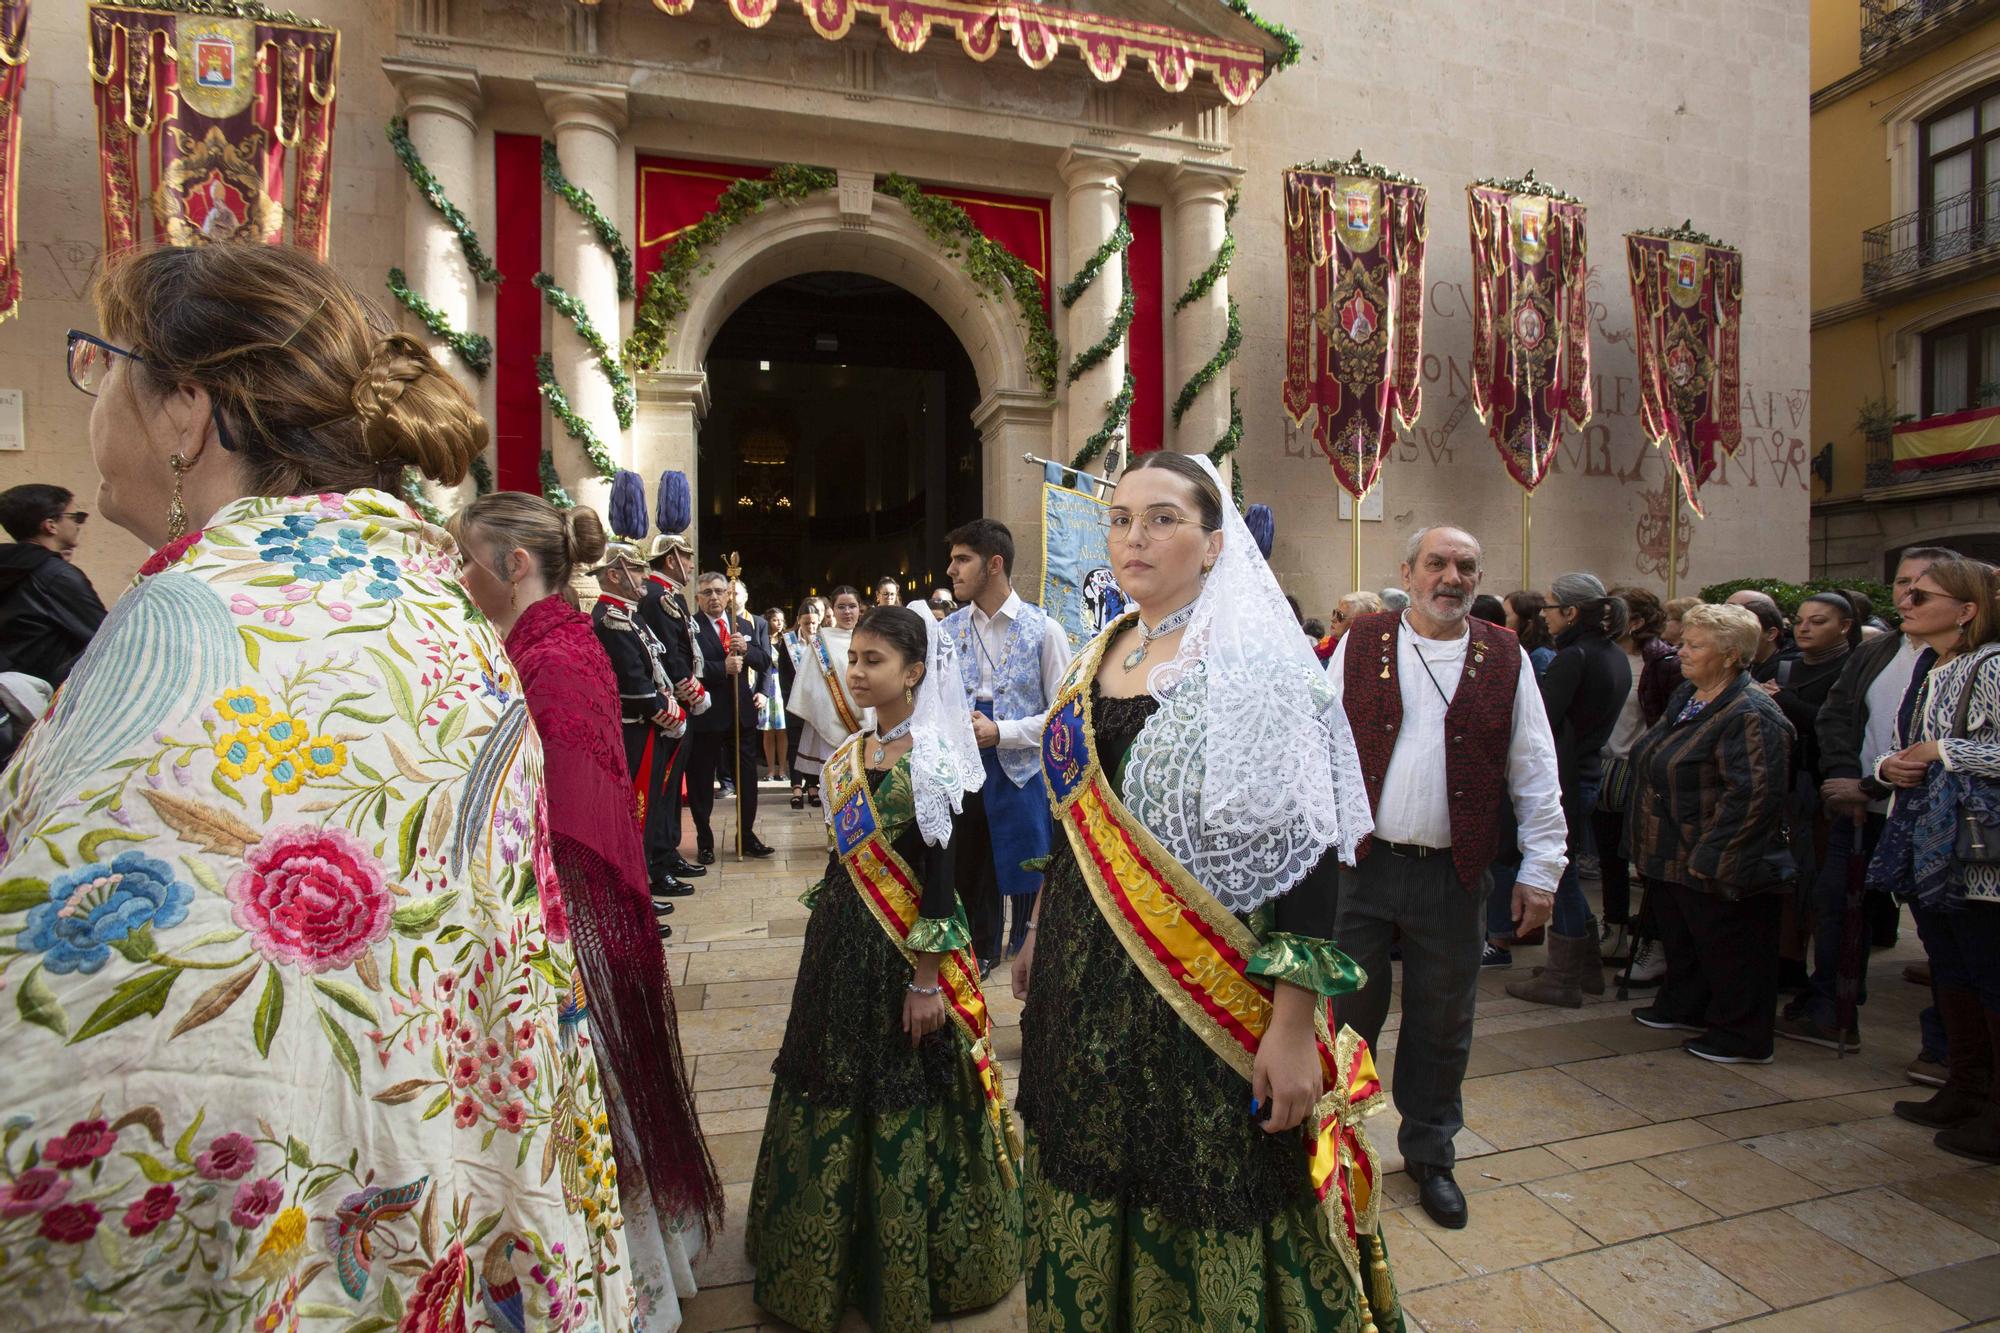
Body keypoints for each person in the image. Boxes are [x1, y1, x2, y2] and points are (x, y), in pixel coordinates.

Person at [0, 243, 631, 1324]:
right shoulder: (435, 608)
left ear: (185, 409)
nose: (93, 393)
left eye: (99, 362)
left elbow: (68, 1032)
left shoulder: (193, 623)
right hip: (434, 1209)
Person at [1017, 453, 1397, 1328]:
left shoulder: (1257, 664)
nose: (1133, 537)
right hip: (1085, 976)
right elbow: (1073, 823)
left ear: (1216, 543)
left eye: (1161, 518)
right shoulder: (1096, 652)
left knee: (1202, 1176)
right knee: (1088, 1156)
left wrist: (1295, 1028)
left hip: (1206, 992)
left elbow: (1306, 865)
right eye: (1119, 519)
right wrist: (1039, 926)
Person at [451, 491, 723, 1325]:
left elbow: (565, 808)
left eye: (469, 558)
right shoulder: (550, 638)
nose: (459, 576)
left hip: (566, 908)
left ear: (514, 564)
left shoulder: (557, 654)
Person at [746, 605, 1022, 1331]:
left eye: (874, 660)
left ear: (916, 670)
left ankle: (911, 1263)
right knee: (828, 1073)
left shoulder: (934, 757)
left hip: (903, 956)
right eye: (854, 658)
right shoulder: (851, 754)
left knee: (905, 1085)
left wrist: (927, 980)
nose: (858, 671)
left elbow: (943, 879)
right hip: (839, 950)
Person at [1329, 527, 1566, 1228]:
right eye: (1437, 562)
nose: (1451, 576)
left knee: (1442, 1022)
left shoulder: (1505, 653)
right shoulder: (1362, 638)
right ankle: (1332, 1143)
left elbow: (1535, 764)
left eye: (1466, 564)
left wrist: (1543, 868)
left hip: (1455, 874)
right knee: (1344, 1014)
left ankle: (1430, 1152)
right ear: (1408, 570)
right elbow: (1317, 733)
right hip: (1362, 867)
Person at [1798, 547, 1961, 1064]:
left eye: (1921, 587)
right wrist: (1847, 776)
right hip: (1861, 811)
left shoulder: (1971, 659)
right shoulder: (1877, 651)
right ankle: (1833, 1008)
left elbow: (1938, 746)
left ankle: (1947, 1045)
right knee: (1837, 910)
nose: (1905, 595)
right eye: (1900, 583)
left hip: (1934, 815)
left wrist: (1875, 785)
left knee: (1943, 929)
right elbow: (1838, 715)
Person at [1868, 557, 2000, 1163]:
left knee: (1988, 972)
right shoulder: (1930, 663)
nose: (1908, 601)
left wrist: (1940, 749)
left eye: (1922, 594)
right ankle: (1966, 1087)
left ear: (1967, 609)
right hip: (1929, 840)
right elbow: (1904, 744)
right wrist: (1886, 767)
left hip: (1979, 853)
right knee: (1951, 968)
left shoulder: (1992, 665)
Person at [1626, 603, 1796, 1065]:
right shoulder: (1689, 694)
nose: (1681, 651)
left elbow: (1753, 795)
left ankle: (1741, 1034)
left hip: (1714, 855)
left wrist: (1714, 856)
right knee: (1689, 941)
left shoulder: (1750, 712)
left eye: (1695, 645)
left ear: (1730, 655)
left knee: (1732, 951)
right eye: (1685, 642)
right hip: (1673, 849)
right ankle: (1687, 1006)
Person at [942, 518, 1071, 972]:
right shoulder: (949, 630)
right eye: (953, 559)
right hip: (962, 768)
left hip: (1022, 773)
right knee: (969, 871)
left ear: (994, 564)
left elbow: (1063, 716)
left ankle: (1030, 961)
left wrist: (1004, 732)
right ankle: (974, 960)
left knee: (1026, 873)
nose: (951, 570)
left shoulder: (1044, 629)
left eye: (963, 560)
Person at [1508, 573, 1630, 1008]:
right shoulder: (1612, 654)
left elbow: (1539, 722)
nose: (1546, 617)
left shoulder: (1575, 656)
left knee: (1563, 873)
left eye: (1550, 608)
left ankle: (1565, 976)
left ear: (1573, 612)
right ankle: (1584, 966)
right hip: (1586, 770)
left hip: (1567, 775)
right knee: (1570, 868)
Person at [590, 542, 695, 915]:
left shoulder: (628, 613)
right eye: (635, 571)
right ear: (615, 575)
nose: (642, 578)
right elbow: (635, 688)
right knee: (638, 812)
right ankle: (636, 894)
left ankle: (643, 885)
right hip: (635, 728)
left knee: (647, 810)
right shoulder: (611, 618)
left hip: (645, 728)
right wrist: (673, 715)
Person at [1766, 592, 1860, 1001]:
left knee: (1823, 886)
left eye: (1817, 621)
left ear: (1844, 626)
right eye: (1800, 620)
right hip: (1784, 783)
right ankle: (1786, 960)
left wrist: (1785, 702)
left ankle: (1827, 987)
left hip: (1824, 785)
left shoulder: (1851, 667)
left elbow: (1834, 723)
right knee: (1785, 876)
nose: (1804, 628)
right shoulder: (1784, 664)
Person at [1594, 586, 1683, 968]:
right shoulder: (1602, 656)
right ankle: (1614, 930)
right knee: (1609, 857)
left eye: (1612, 612)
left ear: (1636, 620)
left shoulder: (1662, 663)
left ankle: (1652, 941)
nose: (1603, 619)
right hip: (1604, 768)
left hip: (1643, 771)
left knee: (1646, 862)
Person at [637, 532, 711, 886]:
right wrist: (692, 693)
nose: (692, 565)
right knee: (663, 788)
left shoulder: (666, 595)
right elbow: (669, 654)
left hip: (677, 704)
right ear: (671, 559)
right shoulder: (657, 597)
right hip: (669, 704)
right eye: (688, 557)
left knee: (668, 788)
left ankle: (668, 852)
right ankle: (659, 859)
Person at [688, 571, 774, 862]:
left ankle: (747, 835)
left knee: (747, 780)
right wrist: (720, 668)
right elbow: (685, 667)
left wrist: (746, 649)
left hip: (741, 716)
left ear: (728, 595)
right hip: (707, 717)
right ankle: (705, 840)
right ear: (698, 598)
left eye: (719, 591)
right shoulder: (690, 627)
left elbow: (764, 661)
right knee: (702, 781)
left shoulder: (743, 625)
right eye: (707, 592)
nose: (714, 597)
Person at [0, 483, 107, 687]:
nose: (78, 525)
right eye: (75, 517)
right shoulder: (56, 575)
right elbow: (106, 636)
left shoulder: (10, 566)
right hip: (46, 696)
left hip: (14, 695)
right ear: (50, 525)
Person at [788, 584, 871, 803]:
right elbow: (809, 685)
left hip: (868, 721)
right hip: (829, 722)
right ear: (831, 610)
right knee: (836, 795)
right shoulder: (819, 642)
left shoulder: (872, 636)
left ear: (860, 608)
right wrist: (827, 707)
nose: (847, 612)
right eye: (841, 607)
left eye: (852, 606)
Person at [779, 595, 822, 809]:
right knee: (795, 743)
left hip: (817, 705)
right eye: (806, 623)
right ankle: (796, 786)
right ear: (798, 621)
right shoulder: (788, 642)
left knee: (812, 744)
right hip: (795, 703)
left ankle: (813, 786)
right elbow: (784, 678)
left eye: (814, 623)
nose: (811, 627)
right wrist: (793, 702)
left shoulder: (823, 642)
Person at [1727, 589, 1793, 682]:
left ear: (1771, 634)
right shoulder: (1737, 662)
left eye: (1746, 629)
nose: (1736, 635)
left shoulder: (1788, 669)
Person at [760, 605, 790, 786]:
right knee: (768, 730)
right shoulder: (762, 639)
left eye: (781, 620)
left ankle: (782, 769)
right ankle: (770, 769)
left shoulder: (786, 640)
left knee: (782, 729)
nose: (778, 623)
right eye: (774, 620)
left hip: (781, 685)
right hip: (766, 685)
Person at [1318, 590, 1385, 663]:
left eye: (1340, 615)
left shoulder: (1369, 655)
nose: (1333, 619)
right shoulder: (1321, 650)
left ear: (1358, 623)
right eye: (1334, 613)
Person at [1504, 590, 1558, 675]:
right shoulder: (1517, 648)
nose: (1501, 620)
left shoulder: (1539, 656)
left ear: (1526, 620)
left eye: (1506, 615)